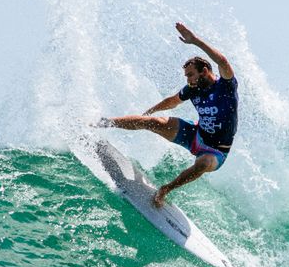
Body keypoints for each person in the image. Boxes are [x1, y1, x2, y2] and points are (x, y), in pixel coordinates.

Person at [100, 22, 239, 208]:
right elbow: (173, 101)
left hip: (216, 151)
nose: (188, 80)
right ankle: (103, 123)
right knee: (153, 123)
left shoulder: (225, 87)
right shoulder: (192, 89)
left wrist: (195, 40)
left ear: (204, 71)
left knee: (203, 163)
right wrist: (150, 113)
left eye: (190, 75)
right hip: (195, 135)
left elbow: (223, 62)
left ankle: (165, 190)